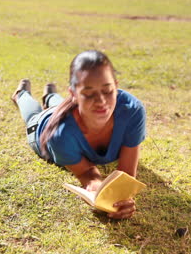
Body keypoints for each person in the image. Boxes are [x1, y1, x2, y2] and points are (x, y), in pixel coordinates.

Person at [11, 50, 146, 219]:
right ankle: (21, 95)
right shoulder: (59, 135)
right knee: (32, 115)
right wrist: (96, 187)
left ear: (116, 86)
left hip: (74, 109)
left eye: (108, 90)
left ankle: (51, 95)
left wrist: (122, 199)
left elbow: (126, 176)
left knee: (64, 105)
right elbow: (86, 173)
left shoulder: (132, 111)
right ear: (74, 94)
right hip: (42, 125)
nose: (101, 101)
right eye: (89, 94)